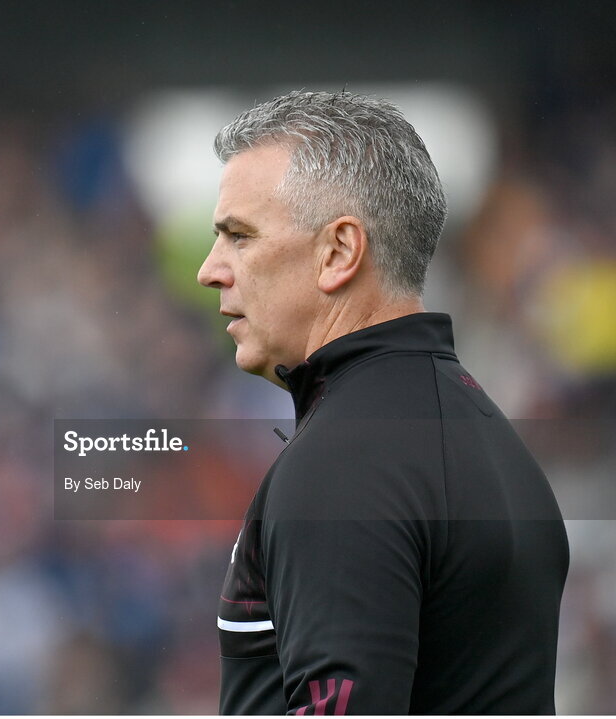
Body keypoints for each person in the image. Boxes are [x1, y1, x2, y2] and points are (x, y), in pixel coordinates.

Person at [198, 90, 569, 715]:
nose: (211, 269)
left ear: (339, 251)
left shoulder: (342, 464)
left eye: (239, 236)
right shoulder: (492, 437)